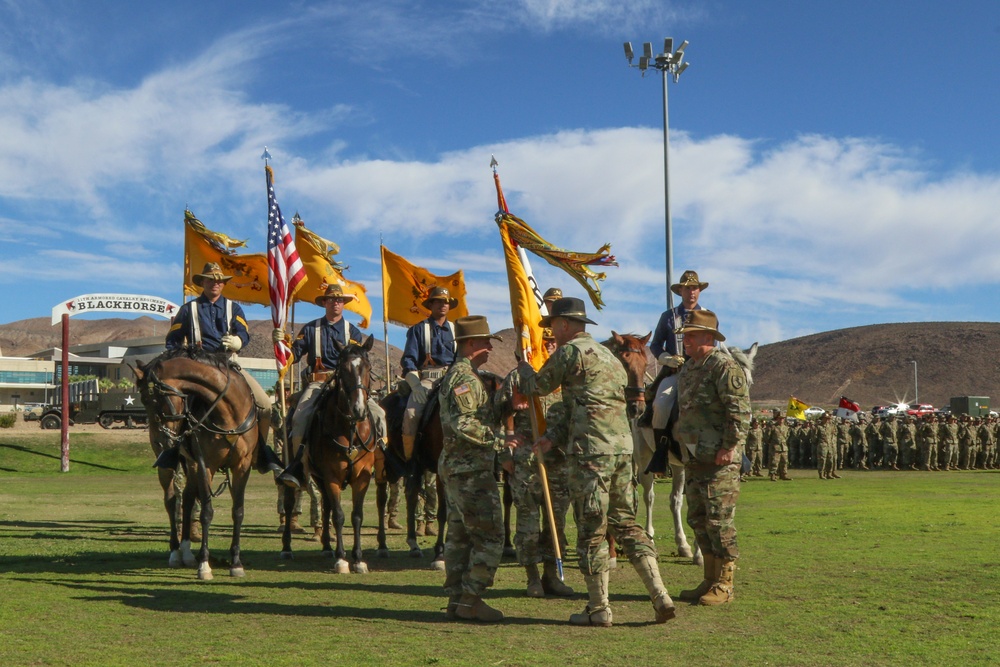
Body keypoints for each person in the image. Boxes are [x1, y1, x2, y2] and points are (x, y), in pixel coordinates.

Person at [518, 297, 675, 627]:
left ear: (563, 325)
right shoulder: (610, 356)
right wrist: (554, 436)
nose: (552, 334)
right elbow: (585, 403)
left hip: (590, 454)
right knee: (627, 522)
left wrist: (524, 369)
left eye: (552, 327)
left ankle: (598, 607)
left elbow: (538, 387)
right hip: (621, 450)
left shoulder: (570, 352)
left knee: (592, 529)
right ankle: (660, 593)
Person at [156, 262, 282, 473]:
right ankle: (174, 450)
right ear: (202, 283)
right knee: (178, 406)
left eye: (218, 281)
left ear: (223, 284)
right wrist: (182, 356)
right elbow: (172, 340)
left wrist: (238, 341)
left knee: (264, 404)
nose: (214, 284)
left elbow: (244, 333)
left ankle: (260, 451)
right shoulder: (189, 309)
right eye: (210, 280)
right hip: (197, 371)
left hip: (229, 366)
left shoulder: (235, 308)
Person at [673, 310, 750, 607]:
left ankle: (726, 584)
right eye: (685, 335)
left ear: (709, 337)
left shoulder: (724, 367)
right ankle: (709, 577)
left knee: (720, 522)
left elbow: (739, 411)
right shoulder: (689, 368)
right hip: (694, 457)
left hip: (720, 460)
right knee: (698, 520)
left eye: (691, 335)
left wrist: (729, 446)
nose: (686, 340)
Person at [275, 284, 387, 488]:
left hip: (346, 385)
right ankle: (299, 466)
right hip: (317, 383)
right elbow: (294, 355)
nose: (336, 303)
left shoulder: (351, 330)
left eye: (339, 300)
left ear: (343, 304)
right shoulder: (310, 328)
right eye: (332, 299)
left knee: (378, 414)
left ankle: (381, 463)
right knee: (299, 417)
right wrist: (282, 346)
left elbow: (358, 359)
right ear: (324, 303)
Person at [437, 315, 507, 623]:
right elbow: (463, 423)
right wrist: (500, 440)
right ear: (470, 345)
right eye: (486, 342)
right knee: (491, 535)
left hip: (458, 468)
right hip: (470, 470)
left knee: (460, 537)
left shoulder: (466, 376)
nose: (490, 346)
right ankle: (472, 598)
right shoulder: (464, 379)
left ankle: (457, 600)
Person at [496, 327, 574, 599]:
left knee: (557, 523)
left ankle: (552, 576)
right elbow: (498, 413)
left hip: (559, 460)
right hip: (527, 461)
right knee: (527, 522)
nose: (550, 345)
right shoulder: (518, 377)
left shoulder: (565, 377)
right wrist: (505, 451)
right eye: (546, 340)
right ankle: (532, 578)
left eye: (553, 341)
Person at [400, 286, 458, 461]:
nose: (443, 305)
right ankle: (410, 461)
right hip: (427, 380)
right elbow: (408, 360)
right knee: (411, 414)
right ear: (431, 305)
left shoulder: (457, 330)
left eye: (446, 302)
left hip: (454, 378)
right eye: (438, 301)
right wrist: (415, 385)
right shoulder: (418, 330)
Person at [765, 411, 791, 481]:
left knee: (785, 462)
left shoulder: (786, 427)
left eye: (783, 419)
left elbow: (787, 437)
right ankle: (773, 475)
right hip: (775, 447)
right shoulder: (773, 427)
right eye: (780, 418)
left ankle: (784, 475)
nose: (781, 420)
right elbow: (767, 437)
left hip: (784, 447)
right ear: (777, 419)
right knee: (774, 462)